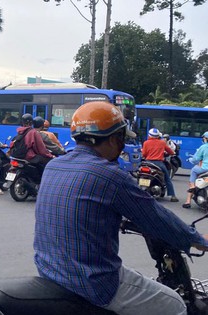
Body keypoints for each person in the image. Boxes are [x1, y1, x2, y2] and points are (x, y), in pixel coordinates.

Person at [34, 101, 208, 315]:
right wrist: (198, 240)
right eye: (122, 139)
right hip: (94, 281)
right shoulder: (109, 175)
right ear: (113, 139)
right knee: (176, 305)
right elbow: (155, 216)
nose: (123, 145)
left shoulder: (54, 166)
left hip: (52, 272)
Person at [142, 128, 178, 202]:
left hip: (148, 163)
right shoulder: (162, 143)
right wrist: (173, 153)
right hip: (159, 163)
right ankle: (173, 196)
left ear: (149, 135)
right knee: (167, 178)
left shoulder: (146, 143)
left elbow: (144, 154)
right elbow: (170, 151)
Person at [183, 131, 208, 208]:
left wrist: (190, 159)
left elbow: (195, 159)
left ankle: (188, 200)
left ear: (206, 139)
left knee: (194, 170)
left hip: (204, 168)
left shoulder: (203, 147)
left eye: (204, 138)